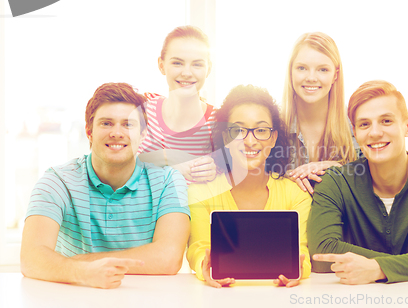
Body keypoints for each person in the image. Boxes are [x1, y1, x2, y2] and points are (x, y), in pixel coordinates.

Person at [20, 83, 191, 289]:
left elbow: (169, 258)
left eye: (128, 124)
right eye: (106, 123)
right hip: (73, 298)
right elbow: (32, 258)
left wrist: (80, 263)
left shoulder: (168, 181)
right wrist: (83, 273)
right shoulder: (57, 181)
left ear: (143, 135)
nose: (117, 133)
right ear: (89, 132)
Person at [307, 80, 408, 284]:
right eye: (364, 124)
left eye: (386, 121)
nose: (374, 132)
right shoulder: (334, 182)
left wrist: (378, 268)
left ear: (407, 126)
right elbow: (322, 254)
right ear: (355, 133)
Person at [187, 85, 311, 288]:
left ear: (273, 138)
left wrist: (299, 267)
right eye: (238, 130)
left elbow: (303, 253)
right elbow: (198, 248)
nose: (250, 141)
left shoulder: (296, 194)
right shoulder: (201, 192)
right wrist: (205, 265)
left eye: (261, 130)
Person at [282, 32, 359, 194]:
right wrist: (287, 178)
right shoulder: (273, 123)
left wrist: (337, 168)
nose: (311, 78)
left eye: (322, 70)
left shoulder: (355, 122)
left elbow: (373, 178)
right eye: (302, 68)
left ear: (335, 75)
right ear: (291, 72)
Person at [137, 25, 216, 183]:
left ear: (208, 69)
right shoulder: (142, 110)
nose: (187, 73)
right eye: (177, 63)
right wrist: (167, 158)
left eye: (197, 64)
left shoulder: (218, 122)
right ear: (161, 65)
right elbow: (120, 165)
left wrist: (220, 170)